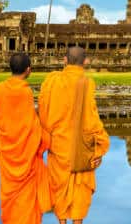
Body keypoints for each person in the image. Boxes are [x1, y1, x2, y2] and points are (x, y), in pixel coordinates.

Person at [38, 46, 110, 224]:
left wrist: (46, 138)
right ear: (86, 62)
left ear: (64, 60)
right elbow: (92, 120)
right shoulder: (86, 84)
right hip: (81, 148)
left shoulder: (51, 81)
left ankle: (62, 222)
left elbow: (43, 114)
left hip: (58, 146)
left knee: (59, 186)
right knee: (80, 188)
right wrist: (100, 147)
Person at [0, 53, 51, 224]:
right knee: (27, 203)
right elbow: (31, 124)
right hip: (26, 154)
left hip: (8, 151)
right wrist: (46, 138)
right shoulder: (25, 92)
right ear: (28, 70)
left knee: (10, 199)